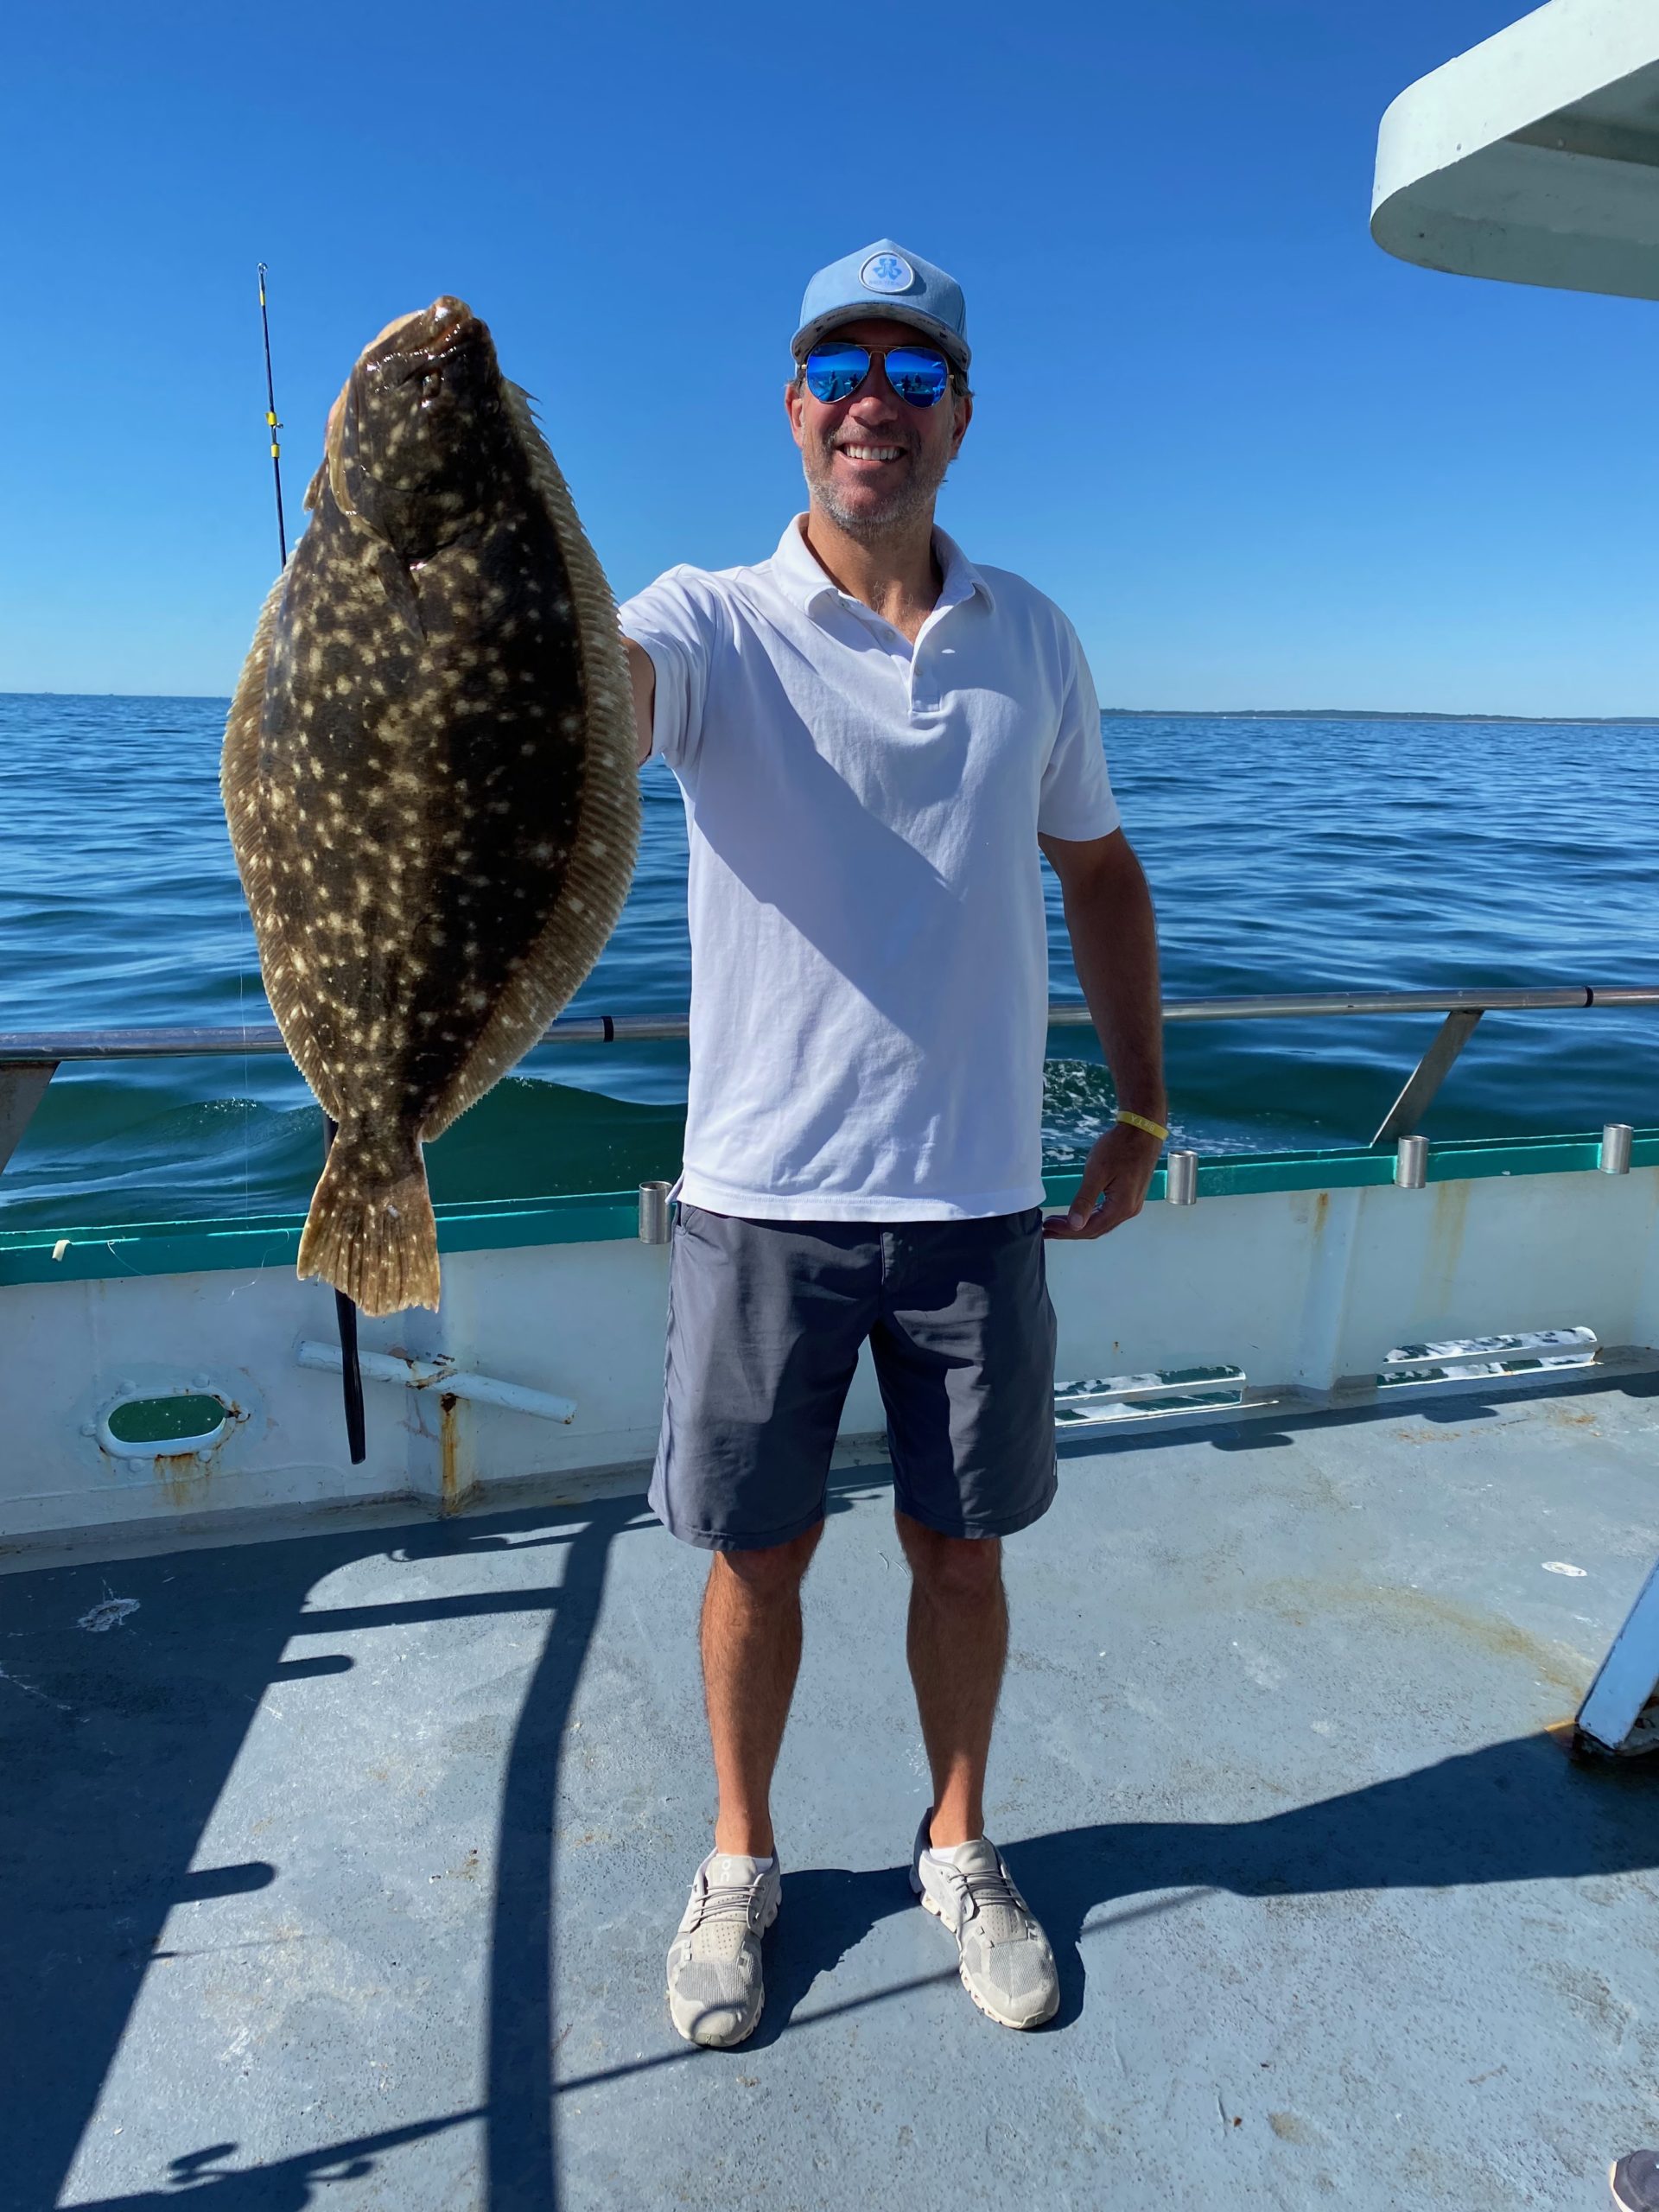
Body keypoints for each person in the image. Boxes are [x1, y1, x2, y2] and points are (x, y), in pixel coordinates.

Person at [618, 238, 1166, 2048]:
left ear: (960, 416)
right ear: (793, 407)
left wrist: (1141, 1101)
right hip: (760, 1204)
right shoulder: (703, 619)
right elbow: (596, 707)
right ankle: (740, 1859)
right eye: (841, 367)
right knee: (756, 1560)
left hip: (973, 1200)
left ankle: (957, 1839)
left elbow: (1098, 868)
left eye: (915, 373)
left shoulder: (1037, 635)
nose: (876, 398)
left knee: (963, 1551)